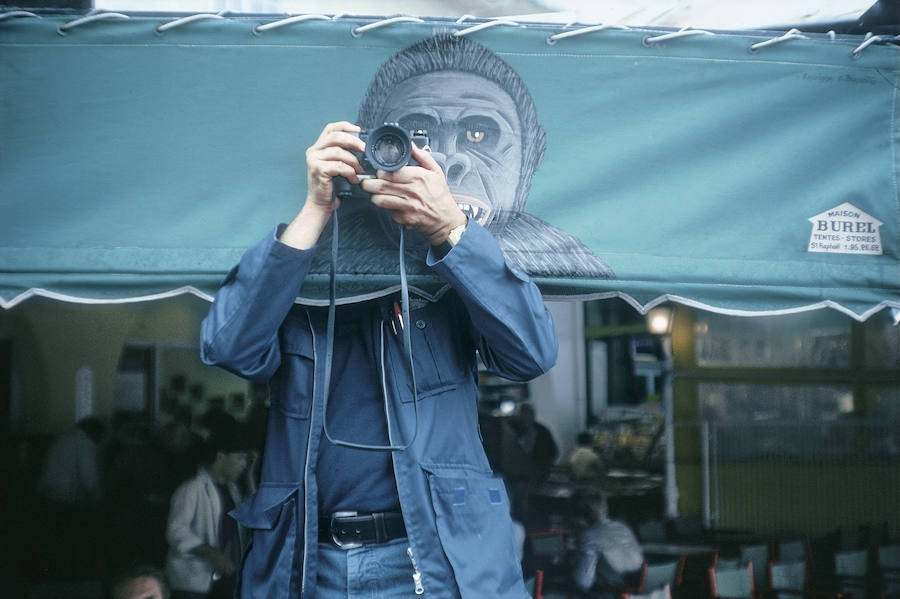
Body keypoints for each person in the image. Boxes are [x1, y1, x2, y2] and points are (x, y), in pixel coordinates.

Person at [200, 34, 559, 599]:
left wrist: (450, 232)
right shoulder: (303, 269)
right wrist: (315, 208)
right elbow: (229, 347)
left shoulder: (453, 266)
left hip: (433, 556)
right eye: (410, 135)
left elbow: (532, 353)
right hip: (306, 559)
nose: (441, 152)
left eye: (476, 133)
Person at [164, 427, 251, 599]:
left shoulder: (233, 490)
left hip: (224, 581)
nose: (244, 464)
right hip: (192, 582)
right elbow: (176, 531)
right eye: (239, 458)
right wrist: (211, 553)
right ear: (220, 457)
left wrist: (251, 479)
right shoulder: (191, 488)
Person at [501, 403, 559, 527]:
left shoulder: (542, 431)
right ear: (519, 415)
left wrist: (544, 470)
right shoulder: (511, 430)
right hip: (516, 477)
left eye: (529, 414)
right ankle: (523, 527)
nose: (526, 417)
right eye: (524, 414)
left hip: (535, 476)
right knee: (518, 504)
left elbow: (553, 452)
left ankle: (532, 528)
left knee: (531, 505)